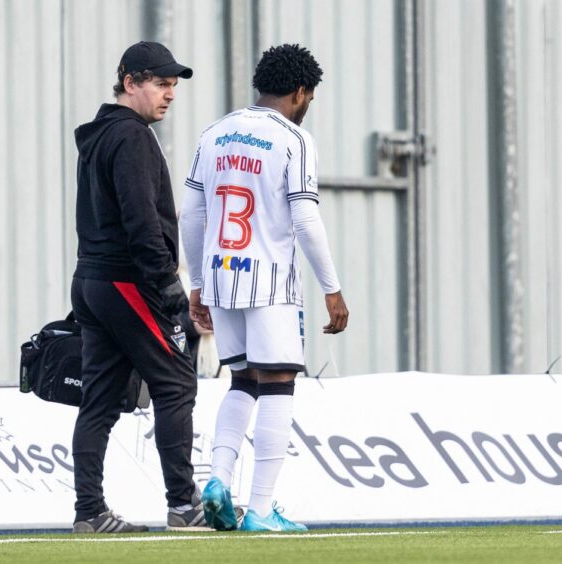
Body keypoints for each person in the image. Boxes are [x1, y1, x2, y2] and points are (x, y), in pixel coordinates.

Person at [180, 44, 349, 532]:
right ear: (300, 92)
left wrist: (198, 284)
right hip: (270, 280)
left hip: (220, 276)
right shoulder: (293, 140)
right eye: (309, 98)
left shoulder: (214, 134)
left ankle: (217, 480)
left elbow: (191, 213)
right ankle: (258, 509)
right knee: (278, 384)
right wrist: (332, 288)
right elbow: (304, 214)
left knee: (242, 381)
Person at [71, 41, 208, 533]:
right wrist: (170, 289)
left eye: (173, 85)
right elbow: (141, 221)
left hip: (91, 279)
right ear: (130, 83)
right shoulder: (130, 136)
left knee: (100, 402)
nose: (169, 94)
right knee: (175, 384)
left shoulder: (101, 135)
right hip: (127, 280)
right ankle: (183, 505)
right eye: (161, 83)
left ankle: (89, 512)